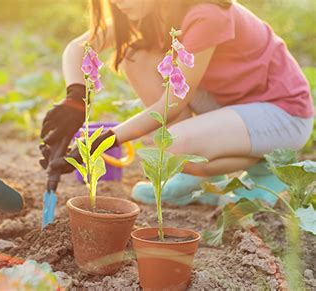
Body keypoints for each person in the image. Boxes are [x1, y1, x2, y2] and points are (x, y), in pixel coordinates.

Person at [40, 0, 313, 206]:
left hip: (282, 114)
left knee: (176, 146)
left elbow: (171, 104)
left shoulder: (207, 12)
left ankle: (272, 168)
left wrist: (104, 141)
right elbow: (80, 46)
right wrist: (75, 99)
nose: (119, 2)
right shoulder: (151, 11)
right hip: (231, 105)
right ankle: (194, 178)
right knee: (135, 54)